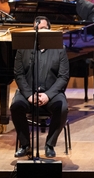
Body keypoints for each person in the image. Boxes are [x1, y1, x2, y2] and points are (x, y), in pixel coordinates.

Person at [11, 15, 69, 158]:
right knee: (16, 106)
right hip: (28, 93)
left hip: (51, 94)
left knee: (62, 107)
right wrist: (29, 95)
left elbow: (63, 76)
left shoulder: (60, 49)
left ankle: (50, 144)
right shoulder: (23, 48)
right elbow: (18, 74)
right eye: (37, 29)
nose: (40, 32)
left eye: (43, 29)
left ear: (49, 30)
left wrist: (48, 95)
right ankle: (25, 145)